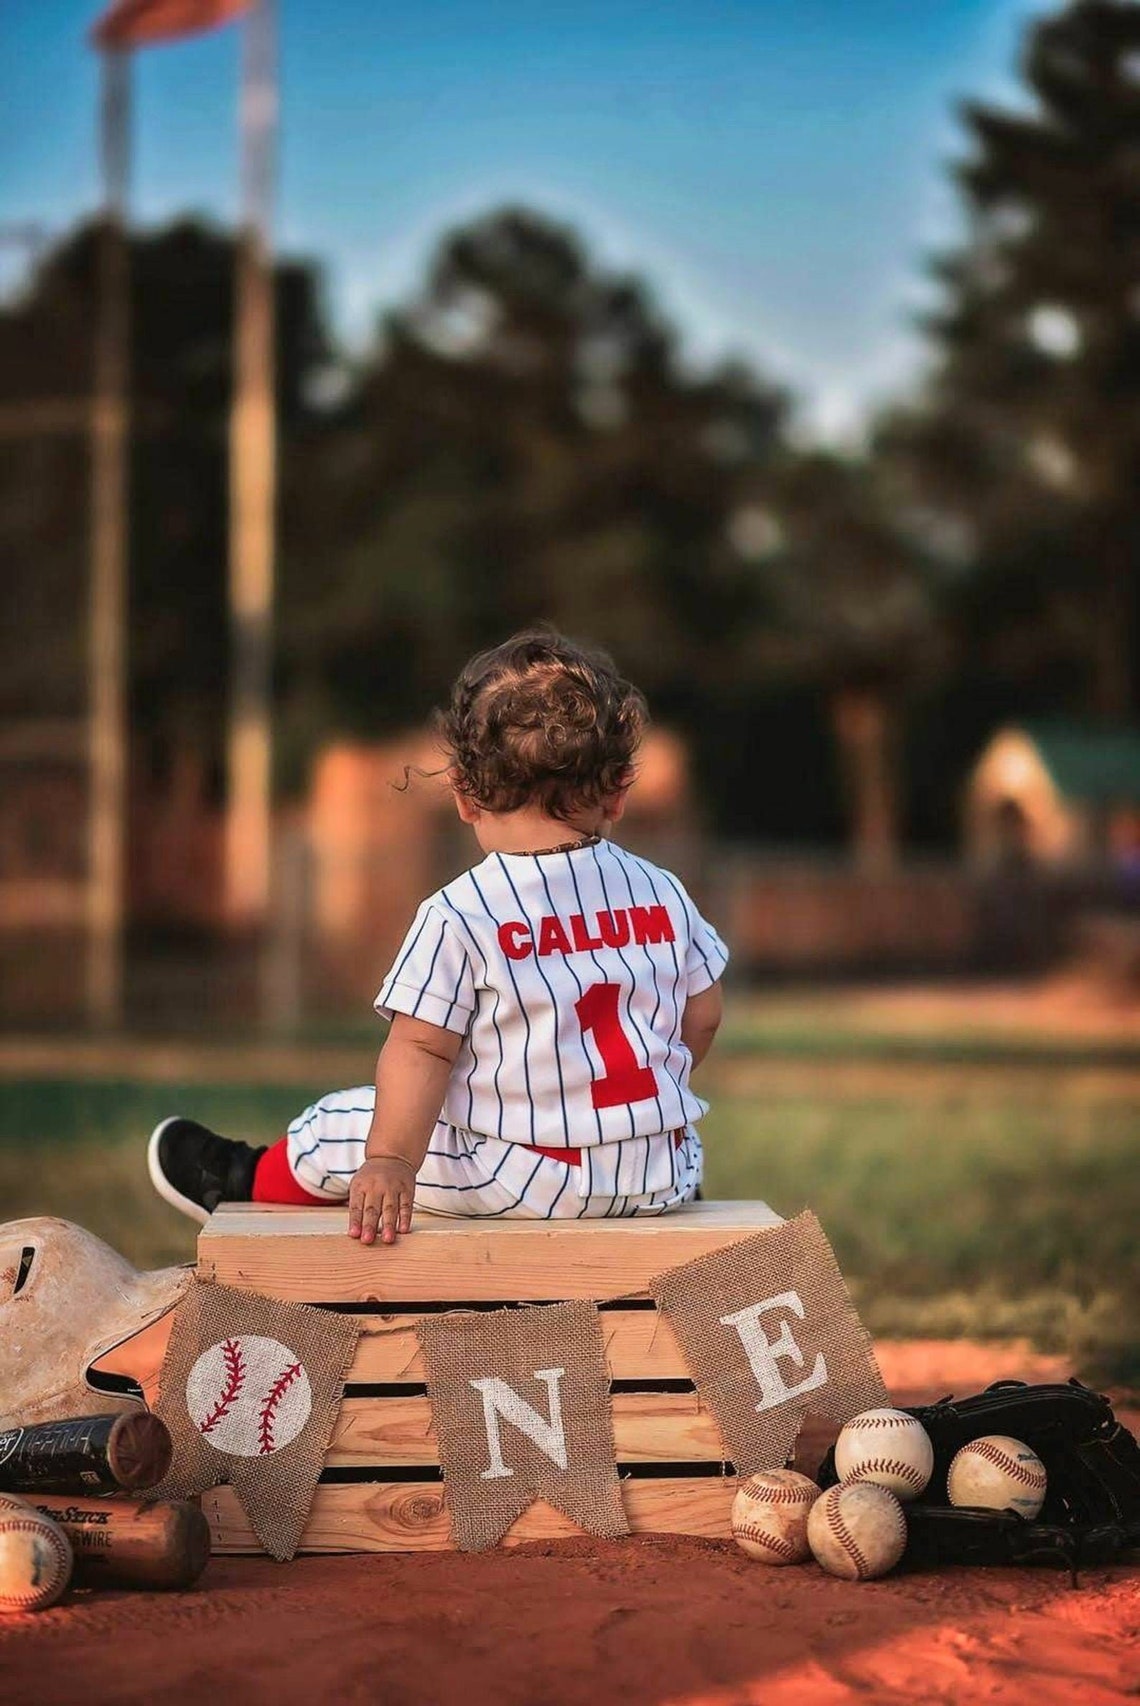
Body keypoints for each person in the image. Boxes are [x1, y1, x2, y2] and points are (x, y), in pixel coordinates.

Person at [148, 629, 727, 1246]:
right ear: (617, 793)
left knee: (345, 1120)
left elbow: (422, 1048)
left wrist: (393, 1161)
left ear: (463, 794)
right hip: (662, 1172)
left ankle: (241, 1177)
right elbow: (706, 1015)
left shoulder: (463, 910)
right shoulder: (661, 890)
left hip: (529, 1178)